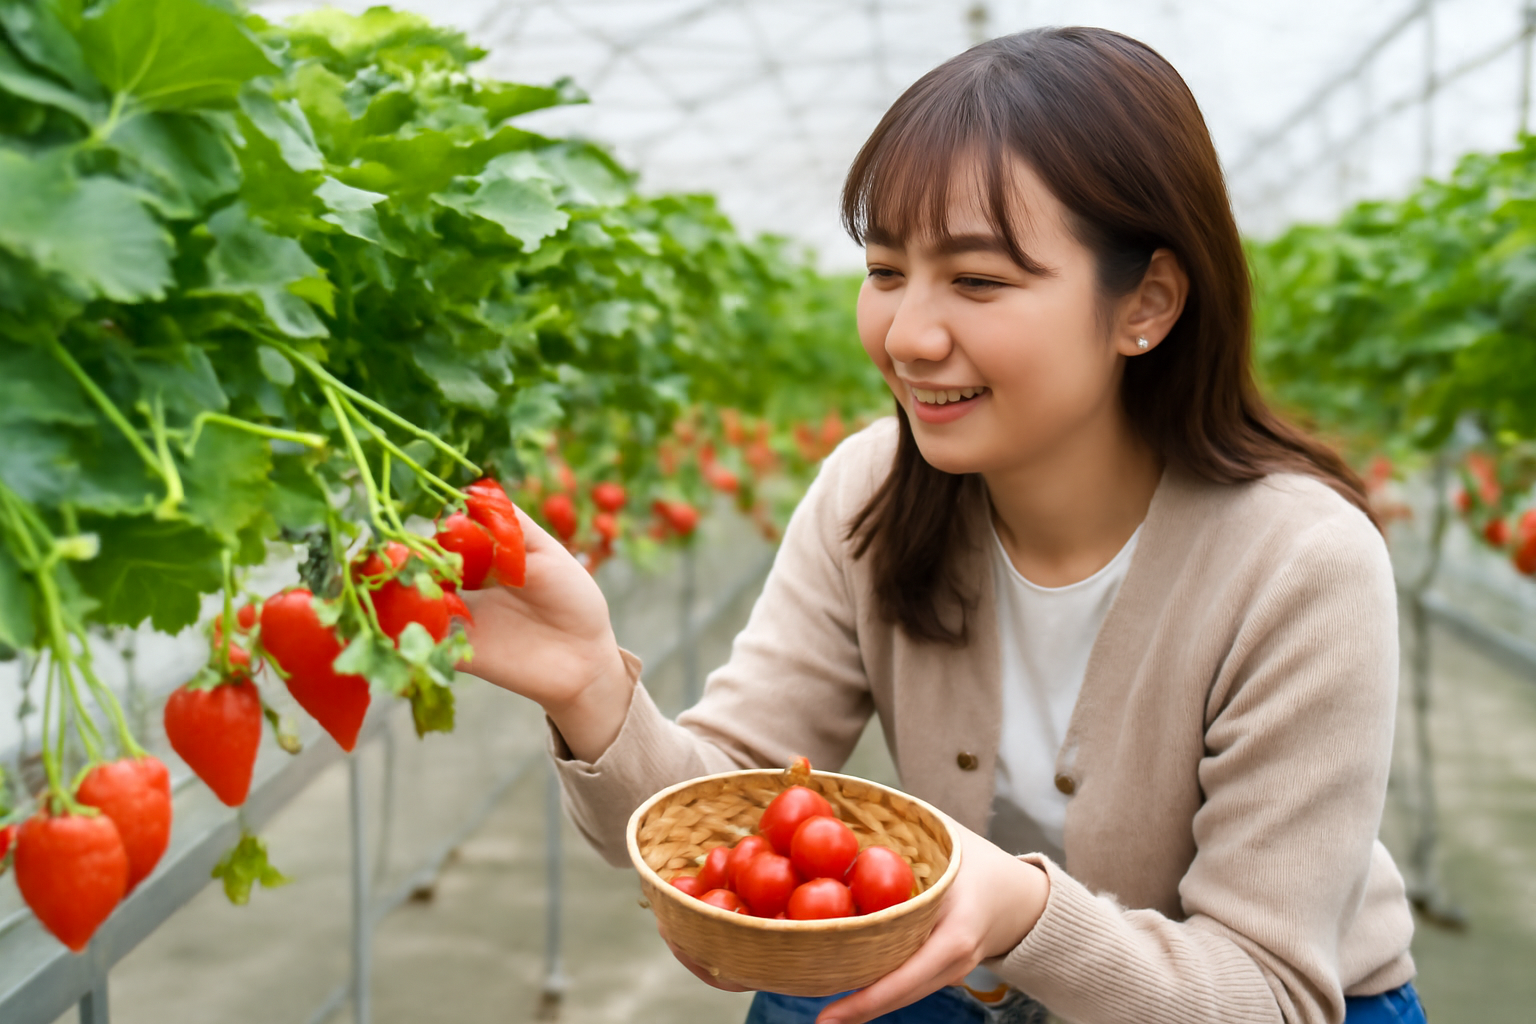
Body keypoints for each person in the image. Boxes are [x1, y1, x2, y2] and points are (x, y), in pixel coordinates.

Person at [461, 26, 1425, 1024]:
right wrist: (592, 692)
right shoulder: (871, 490)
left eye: (977, 280)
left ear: (1148, 301)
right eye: (885, 270)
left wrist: (1024, 913)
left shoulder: (1302, 559)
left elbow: (1265, 992)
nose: (909, 336)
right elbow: (717, 819)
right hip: (991, 977)